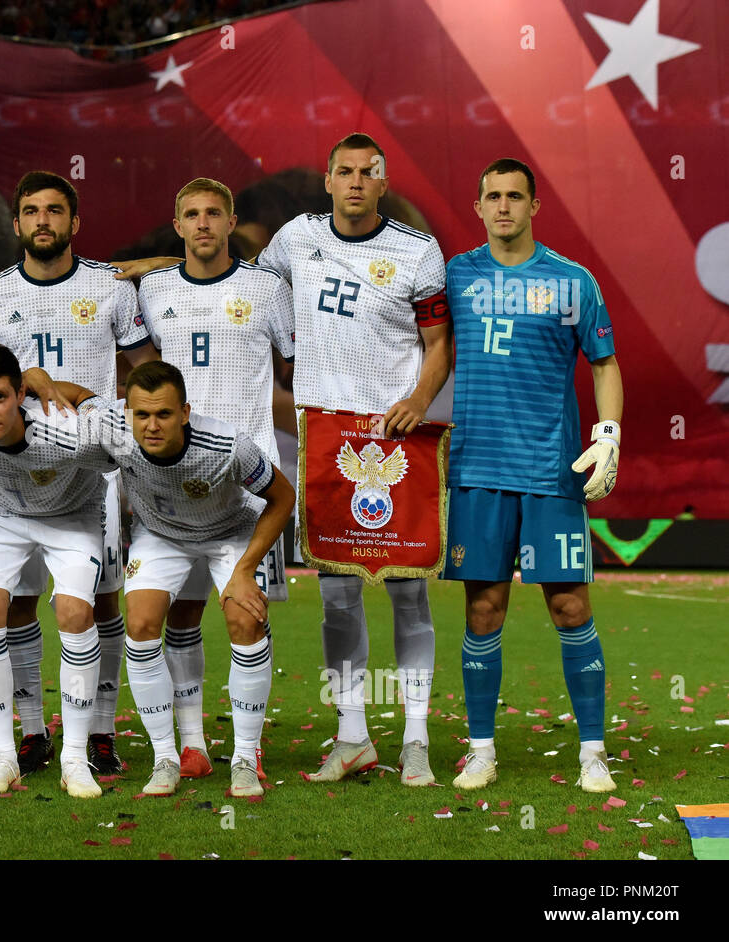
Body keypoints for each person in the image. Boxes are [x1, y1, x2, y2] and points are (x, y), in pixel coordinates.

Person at [255, 133, 452, 787]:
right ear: (330, 180)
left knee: (407, 595)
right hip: (324, 439)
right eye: (346, 171)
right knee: (337, 599)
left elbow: (438, 342)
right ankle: (353, 737)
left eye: (370, 172)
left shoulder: (417, 251)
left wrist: (418, 400)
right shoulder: (294, 238)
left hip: (395, 440)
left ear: (383, 182)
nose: (358, 181)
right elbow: (250, 291)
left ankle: (418, 739)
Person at [0, 171, 156, 777]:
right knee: (14, 606)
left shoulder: (110, 287)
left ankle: (98, 733)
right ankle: (30, 732)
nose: (42, 221)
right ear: (18, 223)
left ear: (75, 223)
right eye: (31, 211)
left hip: (91, 481)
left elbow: (148, 373)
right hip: (12, 479)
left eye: (55, 210)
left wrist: (108, 416)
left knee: (98, 608)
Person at [444, 158, 622, 794]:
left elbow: (604, 361)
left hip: (551, 471)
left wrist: (609, 434)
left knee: (570, 606)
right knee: (484, 609)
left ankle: (594, 752)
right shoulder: (455, 275)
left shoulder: (574, 282)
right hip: (476, 469)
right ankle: (482, 749)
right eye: (492, 195)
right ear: (479, 204)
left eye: (514, 196)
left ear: (534, 206)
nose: (503, 206)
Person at [135, 177, 295, 779]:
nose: (203, 223)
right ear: (177, 226)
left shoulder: (266, 289)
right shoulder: (152, 290)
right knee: (171, 618)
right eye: (191, 215)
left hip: (246, 490)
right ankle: (189, 744)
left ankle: (247, 756)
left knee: (244, 616)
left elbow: (299, 365)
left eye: (214, 214)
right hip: (169, 490)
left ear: (233, 223)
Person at [99, 361, 295, 797]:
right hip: (162, 536)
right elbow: (78, 401)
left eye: (164, 414)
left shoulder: (228, 445)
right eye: (141, 415)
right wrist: (39, 379)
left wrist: (245, 571)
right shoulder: (111, 428)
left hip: (231, 533)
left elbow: (283, 498)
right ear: (126, 412)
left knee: (245, 620)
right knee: (141, 624)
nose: (151, 426)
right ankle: (166, 758)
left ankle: (244, 757)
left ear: (185, 413)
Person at [0, 345, 116, 798]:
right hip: (0, 513)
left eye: (0, 397)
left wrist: (75, 393)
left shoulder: (71, 431)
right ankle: (3, 758)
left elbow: (111, 434)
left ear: (20, 395)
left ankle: (74, 758)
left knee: (75, 614)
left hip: (71, 515)